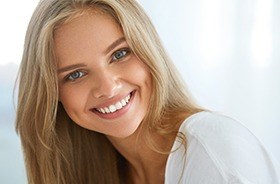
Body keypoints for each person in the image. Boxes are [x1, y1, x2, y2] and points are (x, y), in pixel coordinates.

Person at [16, 0, 280, 183]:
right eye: (75, 74)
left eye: (120, 54)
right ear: (52, 95)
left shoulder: (215, 152)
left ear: (148, 49)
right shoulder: (91, 167)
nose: (108, 87)